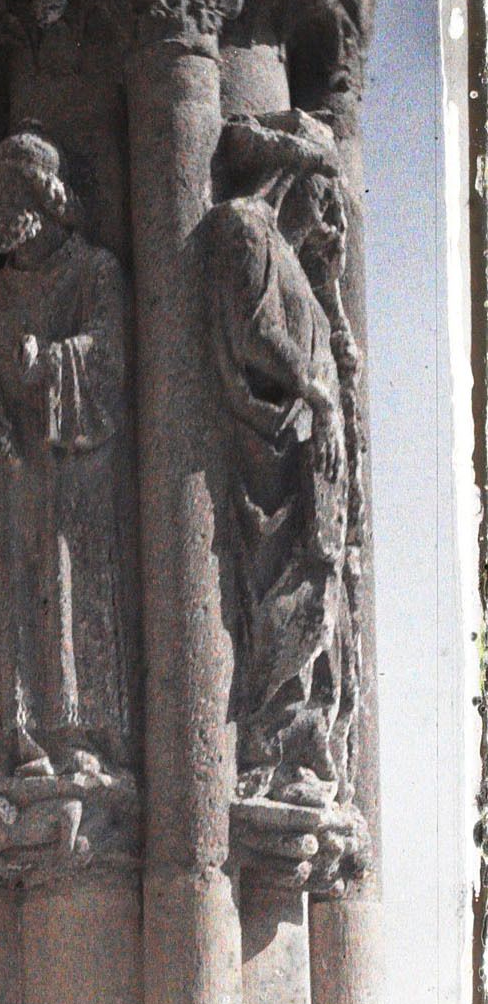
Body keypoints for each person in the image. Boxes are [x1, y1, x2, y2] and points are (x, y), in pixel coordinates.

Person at [0, 127, 134, 792]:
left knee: (70, 597)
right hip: (9, 473)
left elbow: (110, 354)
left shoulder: (93, 272)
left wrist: (50, 362)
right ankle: (16, 740)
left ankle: (81, 741)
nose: (5, 215)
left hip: (70, 471)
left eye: (15, 197)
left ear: (46, 198)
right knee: (12, 603)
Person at [204, 108, 358, 819]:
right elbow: (254, 330)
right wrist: (316, 392)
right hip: (275, 447)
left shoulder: (288, 252)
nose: (326, 223)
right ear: (290, 174)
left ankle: (302, 748)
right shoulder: (241, 225)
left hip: (306, 457)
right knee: (283, 596)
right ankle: (269, 750)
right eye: (322, 199)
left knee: (317, 593)